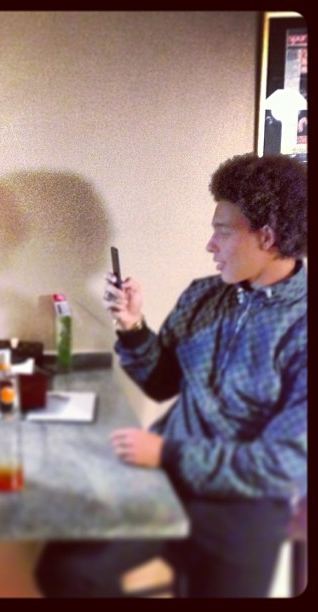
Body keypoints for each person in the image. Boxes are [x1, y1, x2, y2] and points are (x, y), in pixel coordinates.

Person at [35, 153, 307, 598]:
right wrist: (132, 325)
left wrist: (167, 454)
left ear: (267, 237)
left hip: (244, 504)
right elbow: (161, 383)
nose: (210, 245)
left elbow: (280, 465)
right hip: (164, 480)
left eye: (222, 231)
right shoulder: (204, 295)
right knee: (68, 569)